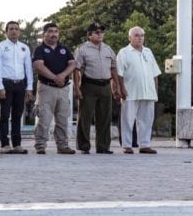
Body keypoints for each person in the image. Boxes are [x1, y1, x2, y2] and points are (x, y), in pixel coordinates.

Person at [73, 22, 120, 154]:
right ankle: (84, 146)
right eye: (97, 32)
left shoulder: (108, 49)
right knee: (85, 117)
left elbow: (113, 69)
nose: (100, 34)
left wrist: (116, 87)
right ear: (89, 35)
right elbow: (76, 70)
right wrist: (77, 88)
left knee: (105, 117)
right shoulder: (82, 49)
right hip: (89, 85)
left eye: (101, 32)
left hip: (105, 85)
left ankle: (103, 146)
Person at [32, 22, 77, 154]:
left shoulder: (64, 49)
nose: (53, 34)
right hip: (46, 88)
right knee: (44, 118)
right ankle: (40, 145)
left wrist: (62, 76)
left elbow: (73, 64)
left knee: (63, 118)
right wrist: (54, 78)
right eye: (50, 31)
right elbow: (39, 65)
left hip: (63, 89)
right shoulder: (40, 49)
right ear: (44, 34)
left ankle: (62, 146)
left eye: (56, 31)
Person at [116, 26, 162, 154]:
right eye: (136, 35)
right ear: (130, 37)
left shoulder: (148, 51)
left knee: (147, 120)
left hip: (148, 92)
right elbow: (119, 73)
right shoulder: (124, 52)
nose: (139, 38)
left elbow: (155, 73)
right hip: (130, 91)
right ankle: (127, 145)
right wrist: (121, 89)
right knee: (127, 119)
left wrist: (155, 90)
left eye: (142, 35)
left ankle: (145, 145)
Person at [0, 20, 33, 154]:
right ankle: (5, 144)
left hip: (20, 85)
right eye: (11, 29)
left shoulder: (24, 48)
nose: (14, 31)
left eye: (16, 29)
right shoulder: (0, 47)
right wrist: (0, 87)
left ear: (19, 31)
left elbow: (28, 69)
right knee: (4, 115)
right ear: (6, 31)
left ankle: (17, 144)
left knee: (17, 115)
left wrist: (29, 87)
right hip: (6, 84)